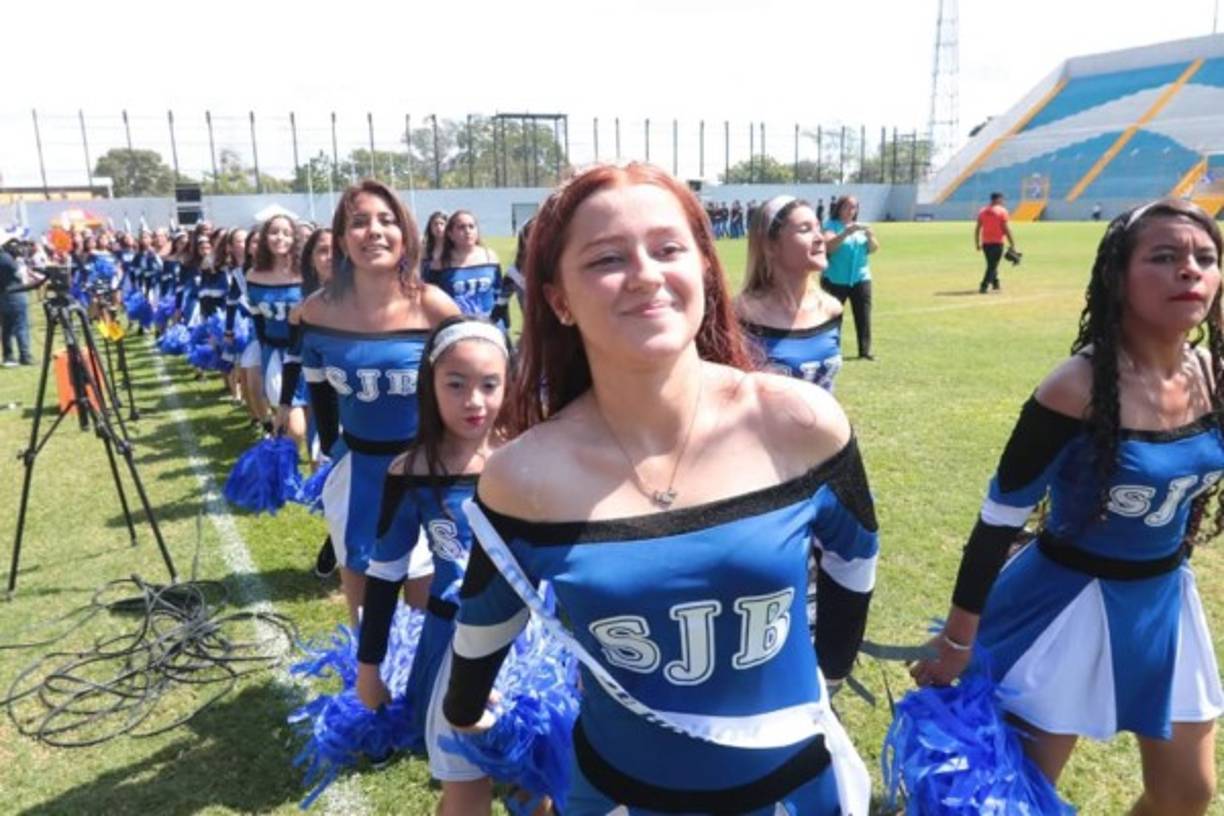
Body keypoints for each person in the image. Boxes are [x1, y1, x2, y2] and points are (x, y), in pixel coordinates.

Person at [443, 163, 878, 814]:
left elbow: (855, 563)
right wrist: (465, 710)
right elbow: (484, 626)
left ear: (704, 267)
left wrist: (832, 672)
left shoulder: (800, 424)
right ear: (558, 298)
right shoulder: (522, 475)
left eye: (669, 249)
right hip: (619, 799)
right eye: (607, 258)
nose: (646, 274)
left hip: (797, 794)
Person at [912, 199, 1224, 815]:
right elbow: (994, 525)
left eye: (1206, 258)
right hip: (1063, 607)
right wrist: (956, 642)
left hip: (1161, 602)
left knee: (1187, 793)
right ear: (1118, 279)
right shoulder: (1074, 388)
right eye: (1164, 257)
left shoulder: (1214, 376)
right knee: (1012, 798)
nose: (1190, 271)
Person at [280, 179, 458, 625]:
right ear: (341, 240)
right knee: (362, 612)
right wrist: (324, 452)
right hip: (355, 469)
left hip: (424, 470)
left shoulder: (433, 307)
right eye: (359, 222)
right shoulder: (317, 312)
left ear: (405, 234)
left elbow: (471, 384)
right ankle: (368, 690)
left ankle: (420, 690)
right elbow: (318, 387)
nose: (374, 231)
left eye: (387, 220)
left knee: (424, 610)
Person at [358, 315, 511, 816]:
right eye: (456, 384)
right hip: (451, 644)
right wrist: (368, 666)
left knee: (535, 776)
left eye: (490, 384)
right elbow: (384, 576)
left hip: (528, 644)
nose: (474, 401)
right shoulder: (411, 471)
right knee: (466, 784)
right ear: (430, 386)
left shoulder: (529, 460)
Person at [737, 195, 844, 392]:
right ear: (770, 246)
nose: (820, 238)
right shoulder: (741, 314)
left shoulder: (831, 308)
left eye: (818, 228)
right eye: (805, 229)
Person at [237, 214, 308, 446]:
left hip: (309, 354)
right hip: (276, 355)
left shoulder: (307, 273)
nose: (280, 238)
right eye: (274, 232)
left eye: (287, 233)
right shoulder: (253, 275)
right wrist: (265, 348)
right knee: (295, 428)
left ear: (295, 238)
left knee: (314, 429)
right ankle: (288, 471)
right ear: (265, 237)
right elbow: (257, 317)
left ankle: (304, 475)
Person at [822, 196, 879, 360]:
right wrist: (846, 232)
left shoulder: (861, 227)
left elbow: (874, 248)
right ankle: (831, 350)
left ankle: (865, 351)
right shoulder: (830, 226)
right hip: (835, 279)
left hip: (861, 278)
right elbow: (829, 247)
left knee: (863, 315)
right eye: (847, 207)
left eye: (854, 207)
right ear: (839, 208)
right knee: (833, 317)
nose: (850, 211)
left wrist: (869, 236)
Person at [425, 211, 502, 323]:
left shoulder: (490, 257)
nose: (467, 231)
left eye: (471, 226)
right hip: (456, 325)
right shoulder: (440, 264)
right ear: (450, 234)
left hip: (489, 325)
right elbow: (432, 300)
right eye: (461, 227)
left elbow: (499, 295)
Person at [0, 231, 34, 367]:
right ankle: (25, 356)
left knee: (7, 328)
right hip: (15, 295)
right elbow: (21, 275)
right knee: (21, 326)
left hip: (3, 296)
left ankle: (8, 357)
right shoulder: (8, 259)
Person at [975, 191, 1017, 294]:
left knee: (991, 264)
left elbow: (977, 228)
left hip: (985, 243)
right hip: (997, 243)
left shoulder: (982, 211)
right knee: (992, 265)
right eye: (1002, 199)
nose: (1003, 201)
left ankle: (996, 284)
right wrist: (1012, 243)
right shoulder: (1002, 211)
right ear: (998, 199)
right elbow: (1006, 229)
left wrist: (977, 243)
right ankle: (983, 286)